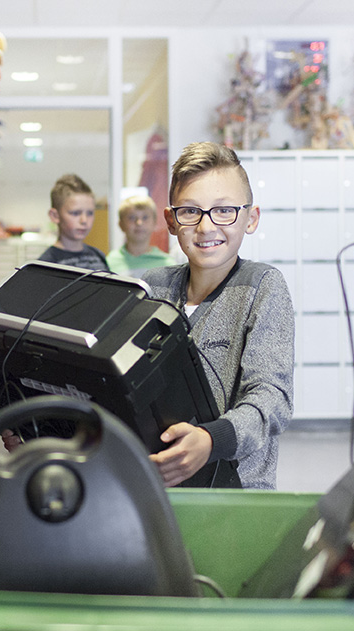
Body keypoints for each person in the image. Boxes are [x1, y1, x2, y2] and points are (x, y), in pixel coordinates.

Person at [142, 142, 294, 490]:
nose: (207, 227)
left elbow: (271, 398)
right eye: (190, 211)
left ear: (251, 218)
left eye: (224, 210)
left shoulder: (263, 287)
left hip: (232, 498)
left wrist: (211, 441)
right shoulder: (150, 289)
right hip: (154, 491)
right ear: (170, 220)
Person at [36, 173, 108, 270]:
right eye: (75, 213)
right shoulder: (45, 265)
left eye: (90, 213)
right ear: (55, 216)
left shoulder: (98, 256)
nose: (84, 220)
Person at [105, 195, 175, 278]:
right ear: (121, 224)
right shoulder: (109, 262)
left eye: (145, 217)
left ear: (154, 223)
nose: (139, 223)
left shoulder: (168, 264)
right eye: (132, 217)